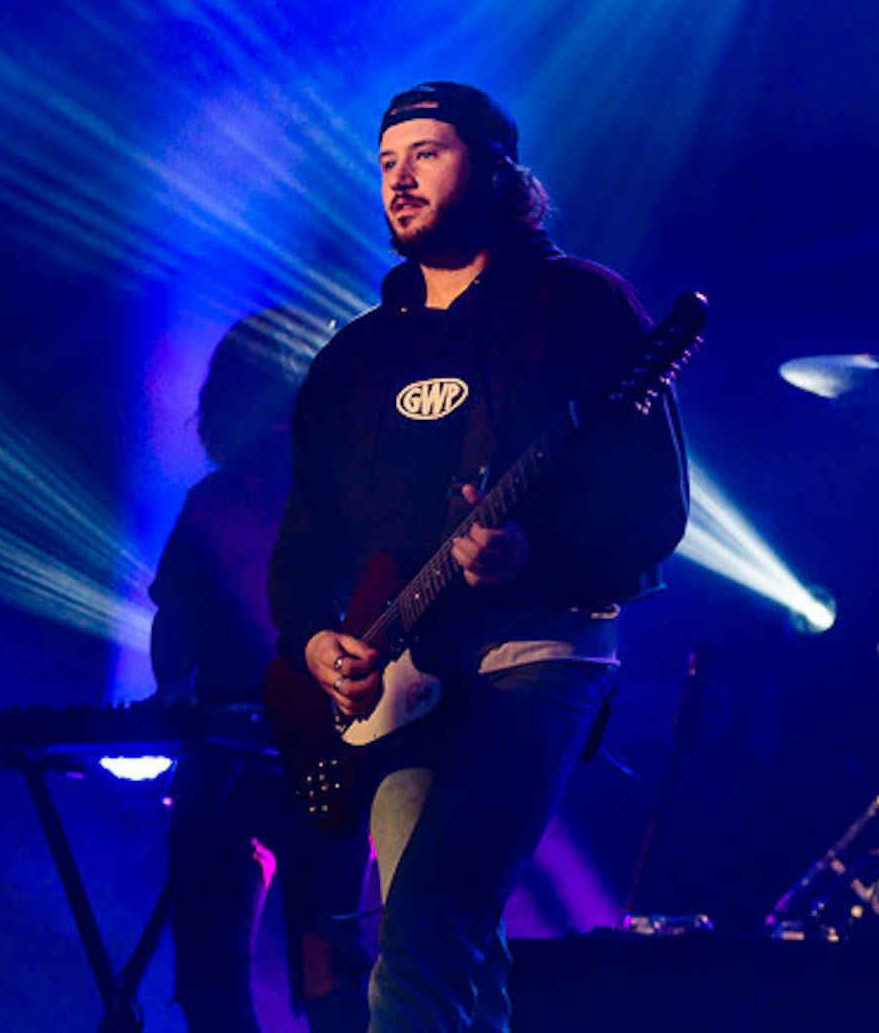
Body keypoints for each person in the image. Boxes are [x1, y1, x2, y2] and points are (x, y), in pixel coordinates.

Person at [268, 81, 688, 1031]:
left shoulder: (582, 305)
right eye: (386, 161)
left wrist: (531, 555)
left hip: (537, 653)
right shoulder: (357, 354)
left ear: (499, 172)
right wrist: (313, 641)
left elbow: (657, 507)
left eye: (427, 153)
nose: (400, 179)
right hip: (399, 682)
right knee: (454, 955)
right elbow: (309, 541)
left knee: (423, 934)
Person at [151, 311, 372, 1032]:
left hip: (303, 762)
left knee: (278, 973)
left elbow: (174, 625)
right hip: (250, 761)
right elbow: (175, 622)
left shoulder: (326, 498)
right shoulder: (219, 502)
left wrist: (175, 695)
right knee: (301, 972)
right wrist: (176, 697)